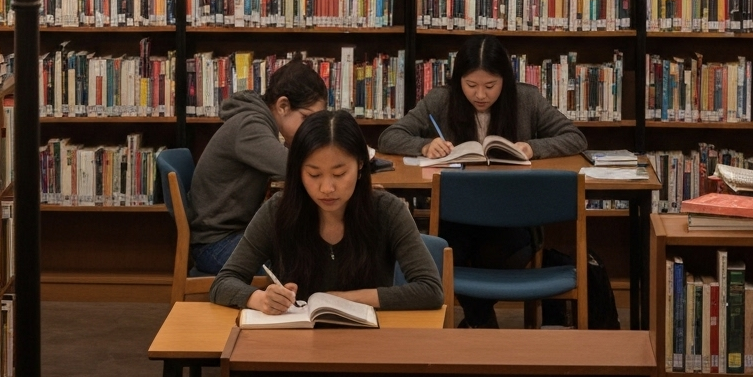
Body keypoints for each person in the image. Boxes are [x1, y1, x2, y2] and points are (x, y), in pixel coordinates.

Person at [378, 34, 588, 327]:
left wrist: (533, 147)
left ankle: (476, 323)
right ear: (457, 81)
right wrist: (424, 145)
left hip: (515, 219)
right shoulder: (442, 99)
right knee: (449, 252)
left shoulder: (526, 99)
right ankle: (481, 322)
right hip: (458, 220)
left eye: (490, 86)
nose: (480, 95)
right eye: (470, 85)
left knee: (492, 252)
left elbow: (575, 137)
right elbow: (389, 136)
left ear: (505, 80)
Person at [211, 110, 443, 314]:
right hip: (295, 346)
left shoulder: (387, 210)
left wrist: (342, 300)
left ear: (361, 165)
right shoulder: (277, 210)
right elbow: (224, 282)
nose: (327, 188)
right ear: (298, 170)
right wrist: (261, 299)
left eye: (340, 174)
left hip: (366, 344)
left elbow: (430, 289)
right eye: (313, 174)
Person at [187, 58, 327, 274]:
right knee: (297, 264)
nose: (311, 129)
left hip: (230, 234)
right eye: (306, 119)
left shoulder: (258, 120)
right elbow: (290, 168)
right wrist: (338, 161)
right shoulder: (250, 125)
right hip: (215, 245)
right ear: (283, 106)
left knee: (304, 249)